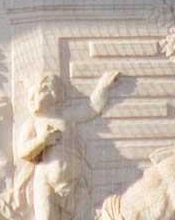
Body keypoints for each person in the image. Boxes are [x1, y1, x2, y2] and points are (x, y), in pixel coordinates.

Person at [12, 70, 120, 220]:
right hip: (46, 183)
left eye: (37, 93)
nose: (31, 99)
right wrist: (42, 140)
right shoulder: (33, 123)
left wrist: (103, 87)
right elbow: (22, 151)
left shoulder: (65, 115)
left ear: (54, 93)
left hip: (75, 182)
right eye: (30, 96)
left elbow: (90, 109)